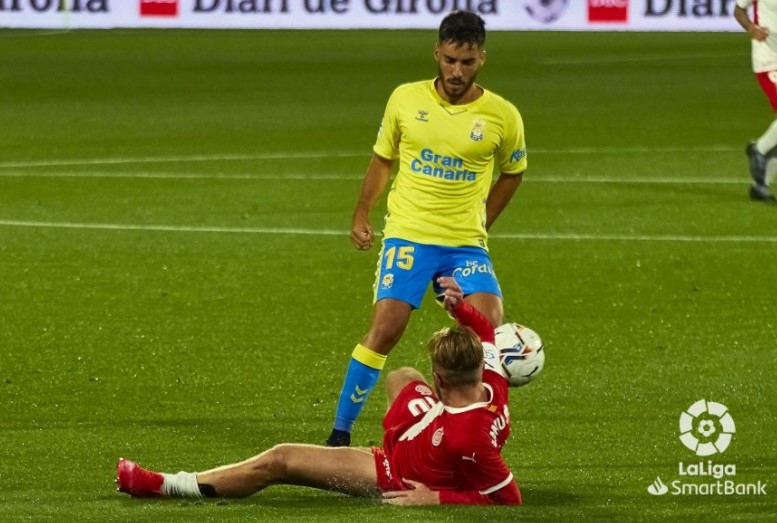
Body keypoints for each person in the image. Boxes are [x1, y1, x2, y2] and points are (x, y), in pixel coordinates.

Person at [116, 277, 522, 506]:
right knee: (401, 375)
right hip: (428, 434)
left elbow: (508, 498)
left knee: (280, 460)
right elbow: (485, 330)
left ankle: (165, 484)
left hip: (396, 471)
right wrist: (459, 309)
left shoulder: (466, 439)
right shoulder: (493, 377)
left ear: (444, 380)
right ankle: (409, 438)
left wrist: (434, 499)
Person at [327, 9, 527, 447]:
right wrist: (361, 213)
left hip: (465, 246)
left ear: (482, 60)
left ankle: (475, 433)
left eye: (467, 62)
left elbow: (513, 171)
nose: (457, 71)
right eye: (450, 60)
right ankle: (339, 435)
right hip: (409, 236)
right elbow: (384, 159)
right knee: (386, 329)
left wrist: (484, 220)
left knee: (488, 328)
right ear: (437, 53)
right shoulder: (405, 99)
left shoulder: (503, 115)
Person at [735, 0, 777, 202]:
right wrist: (751, 28)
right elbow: (739, 10)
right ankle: (759, 150)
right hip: (769, 60)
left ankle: (761, 186)